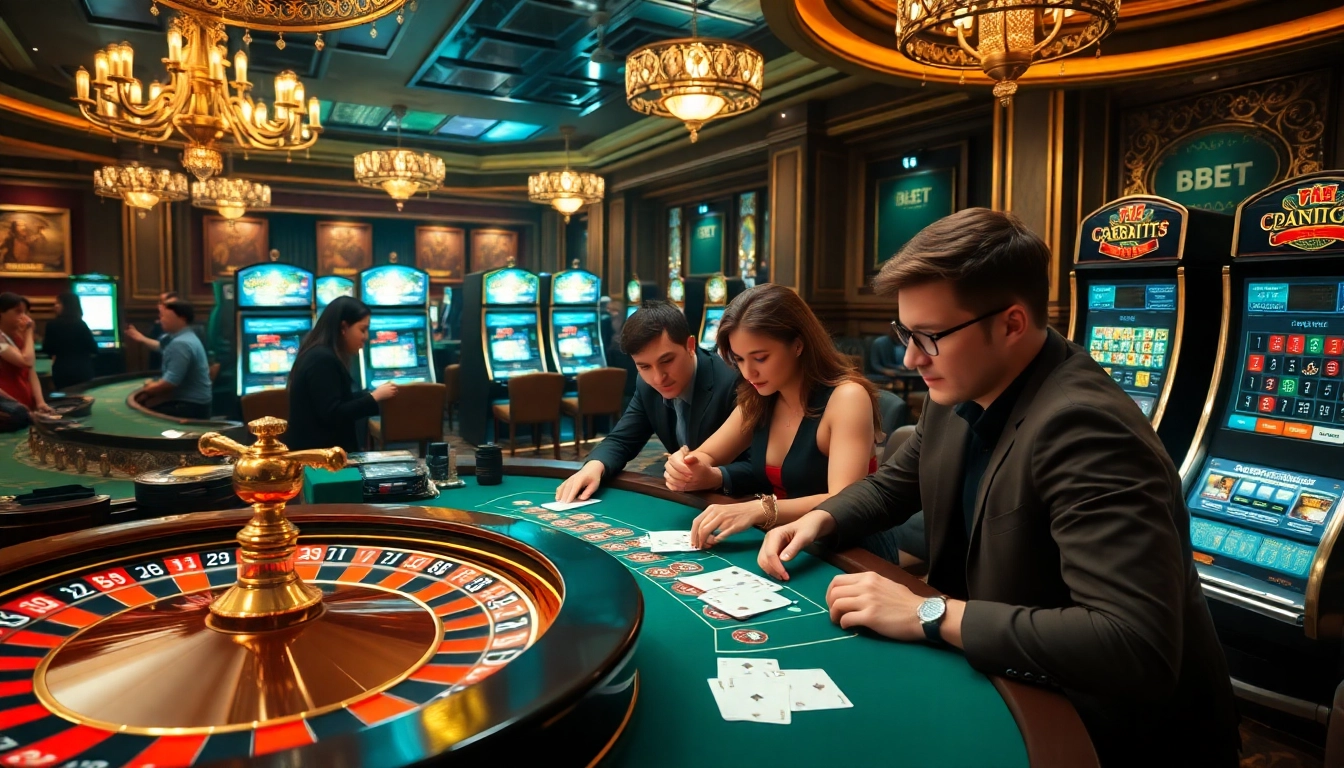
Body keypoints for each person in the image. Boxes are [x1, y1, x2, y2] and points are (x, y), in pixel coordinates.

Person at [756, 209, 1239, 766]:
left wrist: (929, 613)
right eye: (904, 334)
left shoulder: (1084, 427)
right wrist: (816, 519)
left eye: (928, 337)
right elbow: (892, 486)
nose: (912, 358)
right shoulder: (961, 386)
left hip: (1111, 731)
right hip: (1008, 676)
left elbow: (1130, 644)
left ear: (1011, 324)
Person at [672, 284, 881, 549]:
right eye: (740, 360)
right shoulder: (759, 396)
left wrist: (759, 509)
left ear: (797, 344)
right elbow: (706, 455)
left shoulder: (847, 398)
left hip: (850, 549)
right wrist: (686, 465)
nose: (749, 373)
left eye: (760, 358)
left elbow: (843, 501)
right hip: (782, 539)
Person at [555, 301, 751, 503]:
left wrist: (716, 477)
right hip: (684, 495)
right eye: (644, 366)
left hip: (735, 501)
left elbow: (758, 466)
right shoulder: (647, 384)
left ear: (690, 346)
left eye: (666, 361)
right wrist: (593, 466)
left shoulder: (734, 382)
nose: (658, 378)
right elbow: (623, 439)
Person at [286, 296, 398, 452]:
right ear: (343, 328)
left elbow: (337, 400)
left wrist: (370, 395)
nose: (365, 337)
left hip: (321, 454)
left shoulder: (320, 354)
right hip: (318, 460)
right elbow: (334, 414)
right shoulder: (322, 359)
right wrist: (374, 398)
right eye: (362, 329)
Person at [134, 300, 213, 419]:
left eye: (165, 316)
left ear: (182, 318)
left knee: (139, 414)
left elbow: (169, 383)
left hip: (190, 407)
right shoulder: (186, 336)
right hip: (198, 404)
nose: (161, 320)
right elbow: (163, 348)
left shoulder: (181, 343)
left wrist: (147, 389)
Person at [0, 293, 52, 414]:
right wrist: (29, 333)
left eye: (25, 312)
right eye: (18, 312)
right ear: (1, 312)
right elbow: (26, 361)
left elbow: (31, 372)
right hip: (8, 406)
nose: (25, 318)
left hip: (26, 402)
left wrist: (40, 402)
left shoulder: (19, 336)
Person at [42, 291, 99, 390]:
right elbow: (94, 348)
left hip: (62, 370)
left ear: (66, 306)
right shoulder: (82, 324)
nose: (55, 306)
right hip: (83, 370)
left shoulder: (52, 325)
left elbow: (47, 349)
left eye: (58, 303)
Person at [125, 291, 178, 369]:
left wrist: (142, 338)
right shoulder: (158, 324)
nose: (159, 306)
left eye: (163, 304)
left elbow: (166, 347)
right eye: (160, 303)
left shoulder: (179, 327)